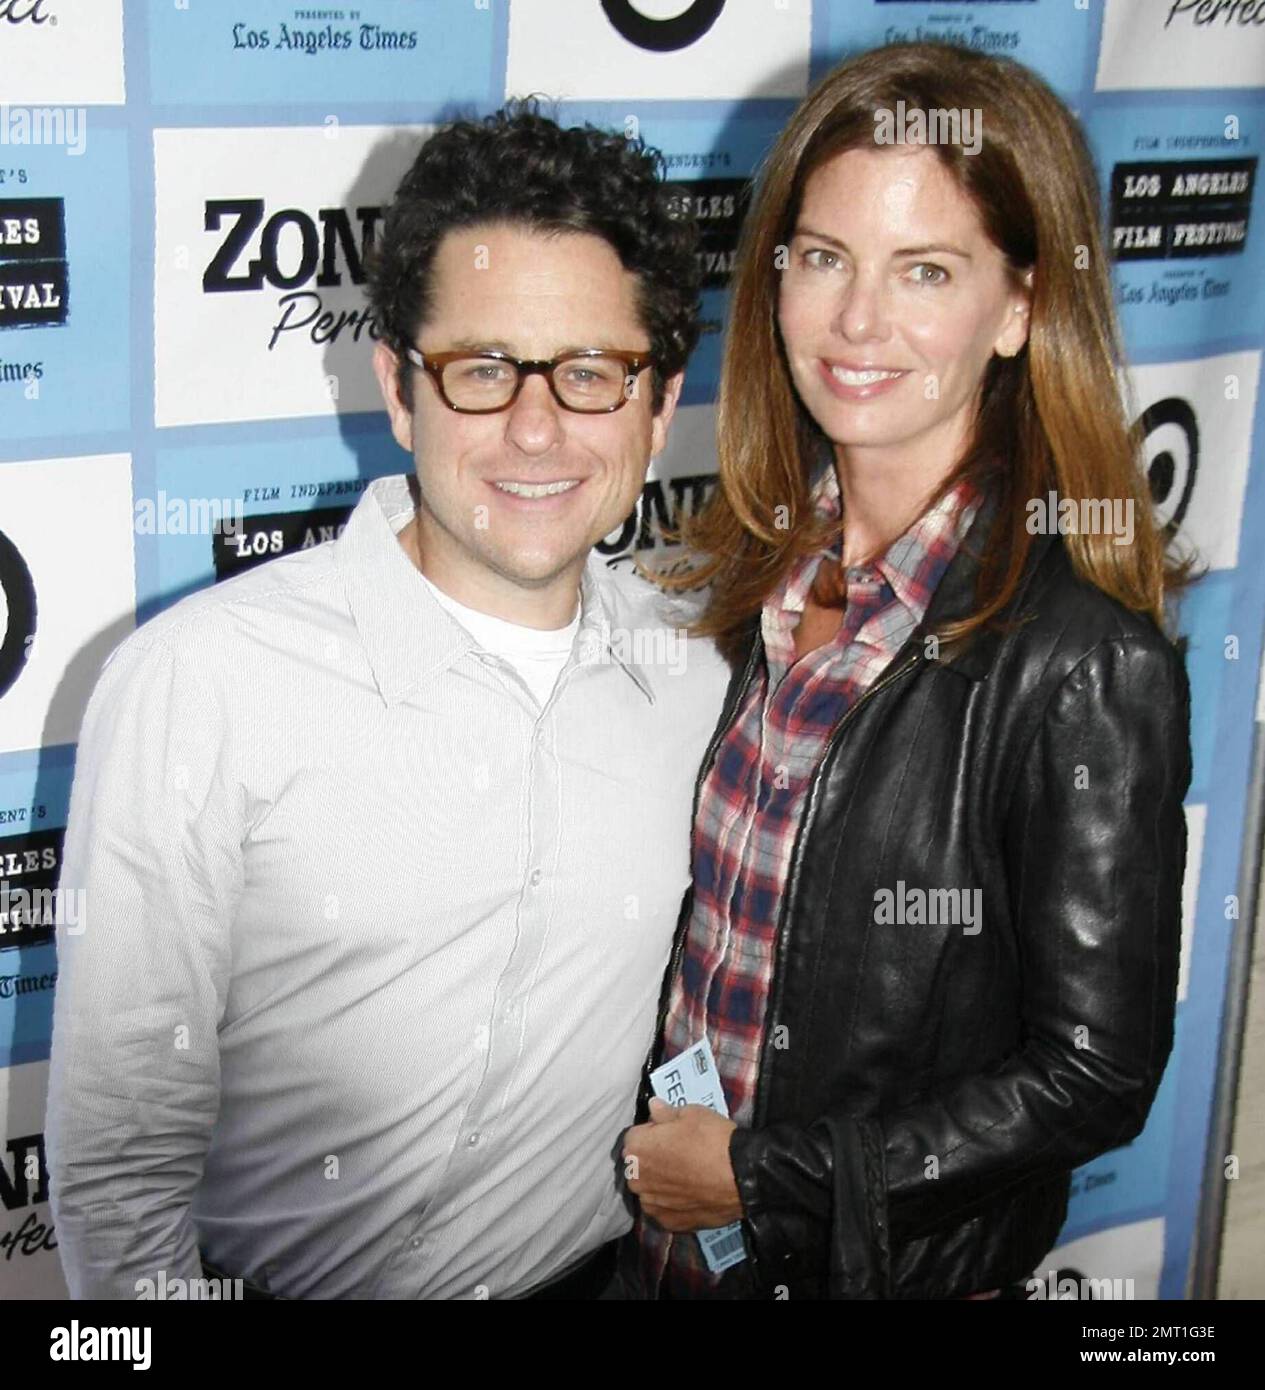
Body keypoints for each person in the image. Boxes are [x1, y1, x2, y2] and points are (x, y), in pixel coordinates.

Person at [45, 104, 729, 1300]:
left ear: (656, 407)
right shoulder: (199, 684)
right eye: (480, 369)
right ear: (401, 390)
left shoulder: (709, 681)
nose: (534, 427)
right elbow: (120, 1162)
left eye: (587, 373)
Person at [620, 41, 1193, 1300]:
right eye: (822, 258)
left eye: (924, 270)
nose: (857, 321)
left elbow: (1093, 1072)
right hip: (674, 1258)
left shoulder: (1080, 659)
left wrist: (768, 1176)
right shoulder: (754, 579)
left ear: (1019, 307)